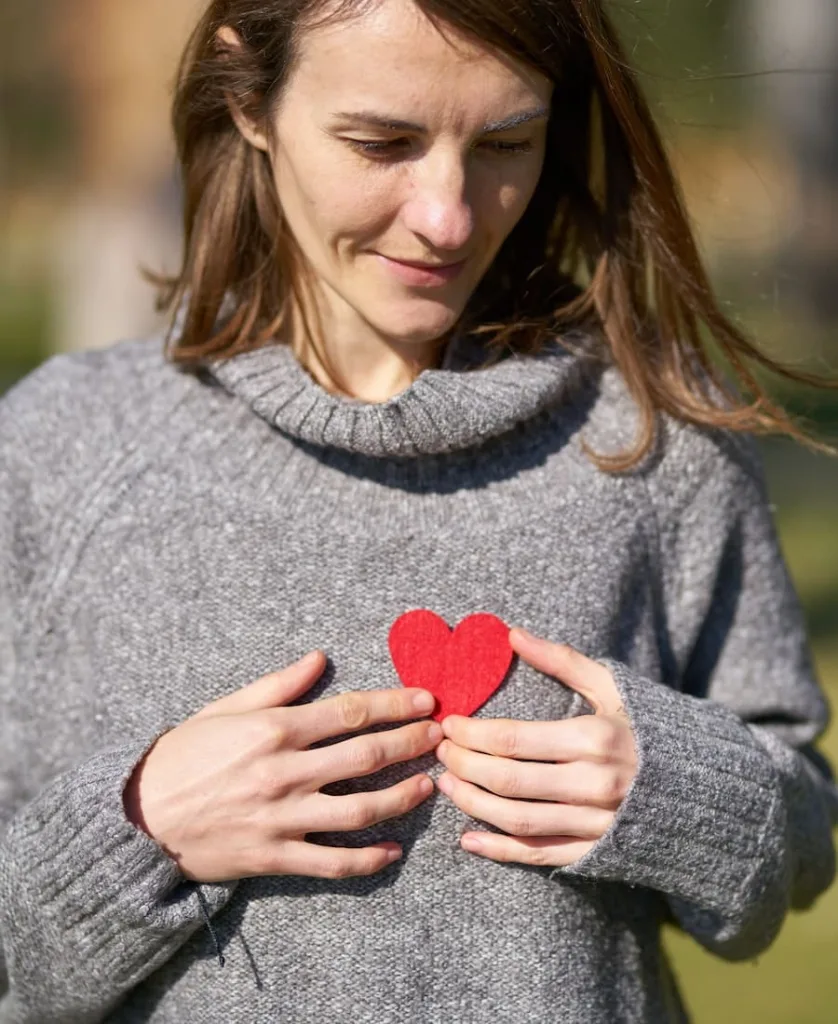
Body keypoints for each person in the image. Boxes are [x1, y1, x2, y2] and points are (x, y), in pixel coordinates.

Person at [1, 0, 836, 1021]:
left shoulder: (655, 438)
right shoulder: (61, 448)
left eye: (505, 143)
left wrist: (680, 791)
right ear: (250, 99)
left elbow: (796, 842)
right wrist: (137, 827)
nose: (448, 215)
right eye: (381, 142)